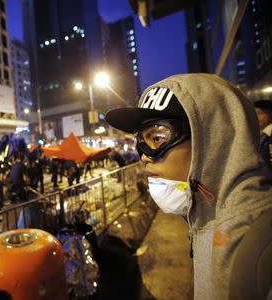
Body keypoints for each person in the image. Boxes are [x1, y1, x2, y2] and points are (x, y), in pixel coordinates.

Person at [105, 73, 271, 299]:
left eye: (157, 137)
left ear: (212, 138)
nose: (144, 157)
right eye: (141, 141)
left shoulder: (255, 242)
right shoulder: (207, 210)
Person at [253, 99, 272, 171]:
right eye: (254, 114)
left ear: (270, 113)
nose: (256, 117)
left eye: (259, 113)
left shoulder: (269, 135)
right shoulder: (261, 134)